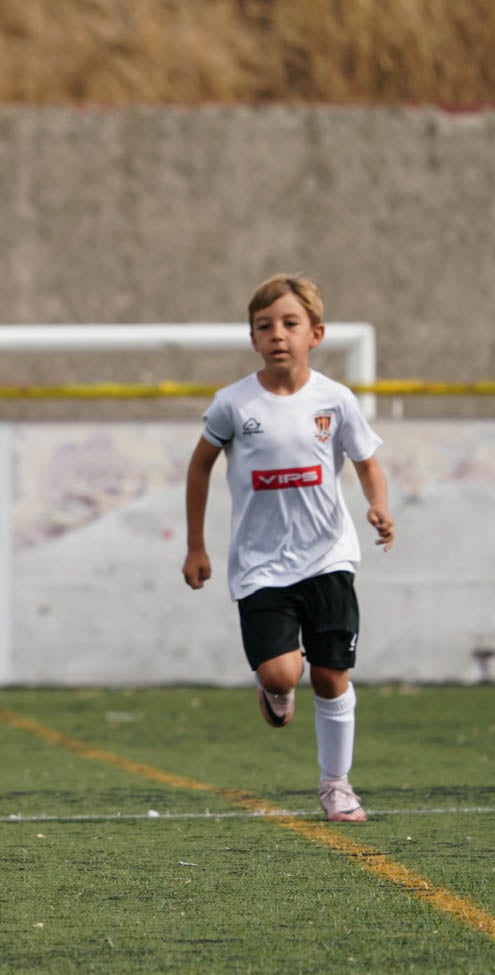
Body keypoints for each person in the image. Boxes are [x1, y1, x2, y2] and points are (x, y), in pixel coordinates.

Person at [182, 273, 395, 823]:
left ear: (315, 334)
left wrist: (378, 505)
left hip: (328, 556)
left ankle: (336, 785)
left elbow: (368, 461)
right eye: (265, 326)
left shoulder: (336, 400)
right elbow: (200, 466)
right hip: (260, 565)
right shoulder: (233, 403)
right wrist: (195, 546)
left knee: (330, 675)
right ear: (253, 339)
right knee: (281, 674)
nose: (278, 334)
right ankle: (274, 690)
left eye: (290, 323)